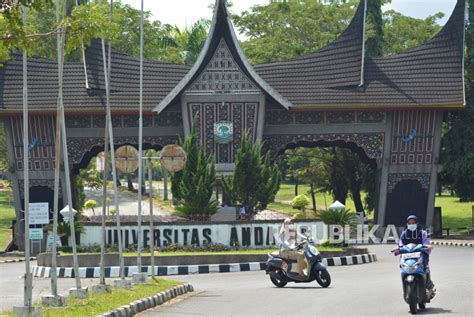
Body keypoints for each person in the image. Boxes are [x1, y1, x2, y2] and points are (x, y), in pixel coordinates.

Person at [399, 215, 435, 291]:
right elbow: (401, 243)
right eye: (409, 223)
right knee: (402, 265)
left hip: (420, 254)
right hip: (407, 255)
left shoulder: (422, 233)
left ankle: (428, 282)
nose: (411, 225)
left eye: (413, 223)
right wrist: (399, 248)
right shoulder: (404, 234)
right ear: (407, 224)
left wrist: (427, 246)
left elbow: (426, 242)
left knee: (425, 266)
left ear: (416, 223)